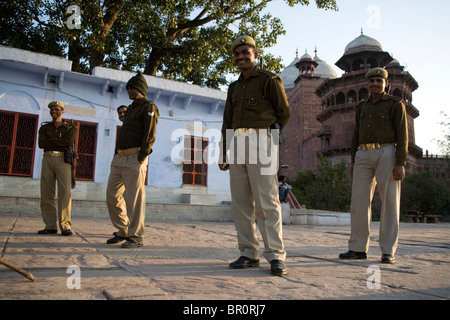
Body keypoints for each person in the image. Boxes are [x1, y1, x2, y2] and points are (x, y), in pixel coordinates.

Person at [219, 35, 291, 276]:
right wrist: (223, 151)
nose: (240, 57)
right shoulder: (234, 87)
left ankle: (276, 255)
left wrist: (270, 136)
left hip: (262, 140)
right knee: (240, 203)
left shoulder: (269, 80)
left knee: (267, 201)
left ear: (255, 54)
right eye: (237, 54)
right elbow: (227, 121)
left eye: (245, 53)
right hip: (237, 142)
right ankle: (248, 252)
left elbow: (284, 112)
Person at [339, 67, 408, 264]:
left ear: (386, 83)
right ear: (367, 84)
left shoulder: (395, 104)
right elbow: (355, 134)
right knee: (359, 202)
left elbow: (403, 135)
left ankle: (388, 250)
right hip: (363, 153)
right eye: (372, 81)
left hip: (387, 152)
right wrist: (354, 160)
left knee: (389, 202)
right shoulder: (362, 106)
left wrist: (400, 162)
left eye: (379, 81)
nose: (375, 84)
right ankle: (358, 248)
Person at [106, 72, 159, 248]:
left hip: (135, 157)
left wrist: (141, 157)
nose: (129, 90)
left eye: (133, 87)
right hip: (119, 158)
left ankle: (136, 236)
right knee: (112, 196)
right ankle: (123, 230)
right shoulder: (131, 109)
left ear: (141, 89)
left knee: (134, 199)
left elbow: (149, 135)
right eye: (128, 87)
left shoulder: (148, 107)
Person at [38, 101, 77, 236]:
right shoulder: (44, 127)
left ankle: (65, 225)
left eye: (56, 109)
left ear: (62, 111)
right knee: (46, 192)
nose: (53, 111)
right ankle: (50, 225)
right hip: (47, 158)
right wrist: (57, 142)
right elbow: (41, 144)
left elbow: (68, 143)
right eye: (52, 109)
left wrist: (52, 141)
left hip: (63, 160)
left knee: (65, 193)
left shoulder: (70, 128)